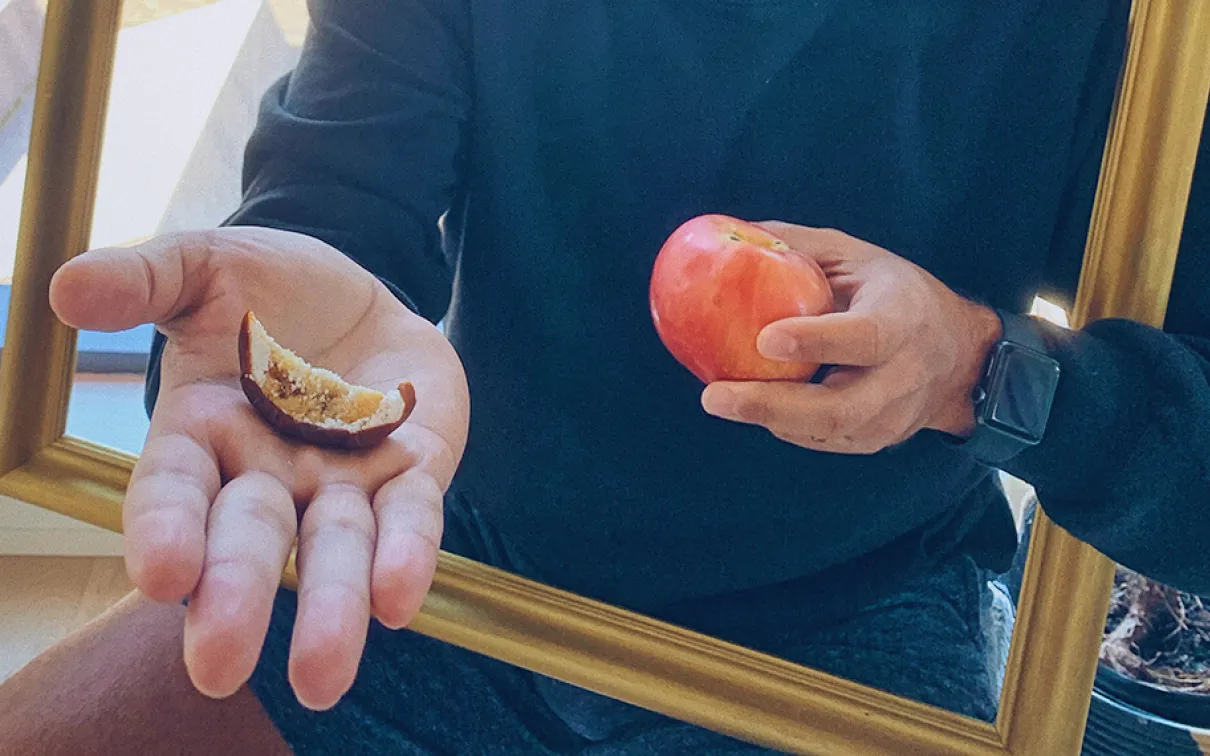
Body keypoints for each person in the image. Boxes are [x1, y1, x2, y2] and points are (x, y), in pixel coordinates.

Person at [3, 1, 1209, 753]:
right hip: (431, 567)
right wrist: (289, 322)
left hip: (865, 628)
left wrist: (979, 368)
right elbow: (333, 198)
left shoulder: (1134, 31)